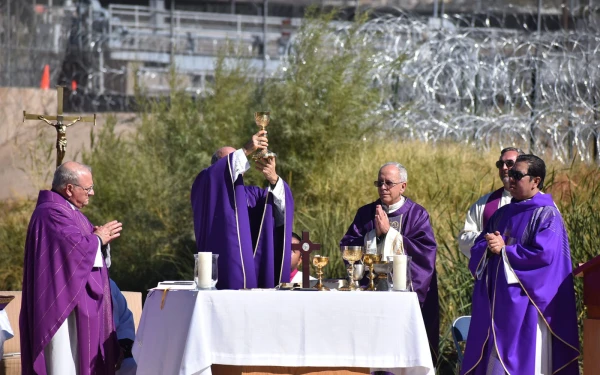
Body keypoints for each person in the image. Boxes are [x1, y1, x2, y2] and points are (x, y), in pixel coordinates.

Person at [461, 155, 580, 375]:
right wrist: (487, 246)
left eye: (517, 175)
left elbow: (545, 256)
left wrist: (504, 250)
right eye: (510, 173)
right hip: (498, 307)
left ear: (535, 181)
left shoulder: (547, 215)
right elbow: (479, 245)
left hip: (529, 308)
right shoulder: (502, 213)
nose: (510, 178)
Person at [20, 161, 122, 375]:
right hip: (62, 308)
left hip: (74, 302)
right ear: (69, 189)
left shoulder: (68, 212)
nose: (92, 193)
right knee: (64, 362)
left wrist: (95, 240)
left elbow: (79, 247)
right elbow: (73, 252)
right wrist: (96, 239)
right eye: (88, 189)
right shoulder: (52, 213)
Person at [340, 162, 439, 360]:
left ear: (403, 186)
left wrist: (389, 233)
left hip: (403, 293)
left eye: (388, 183)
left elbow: (426, 252)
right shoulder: (365, 213)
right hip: (371, 291)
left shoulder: (417, 214)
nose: (382, 187)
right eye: (379, 182)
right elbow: (349, 245)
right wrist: (373, 235)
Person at [191, 130, 294, 290]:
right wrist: (246, 150)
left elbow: (279, 206)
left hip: (256, 273)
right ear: (217, 167)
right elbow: (217, 174)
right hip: (224, 270)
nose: (237, 161)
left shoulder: (253, 194)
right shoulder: (206, 186)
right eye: (230, 160)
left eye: (238, 157)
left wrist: (274, 179)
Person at [458, 147, 523, 258]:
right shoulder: (483, 204)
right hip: (492, 272)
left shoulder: (540, 203)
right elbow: (464, 239)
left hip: (524, 272)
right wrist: (487, 239)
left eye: (509, 163)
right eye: (500, 164)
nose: (504, 168)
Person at [109, 280, 137, 375]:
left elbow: (125, 319)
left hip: (116, 351)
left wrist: (122, 348)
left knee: (131, 365)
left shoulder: (109, 284)